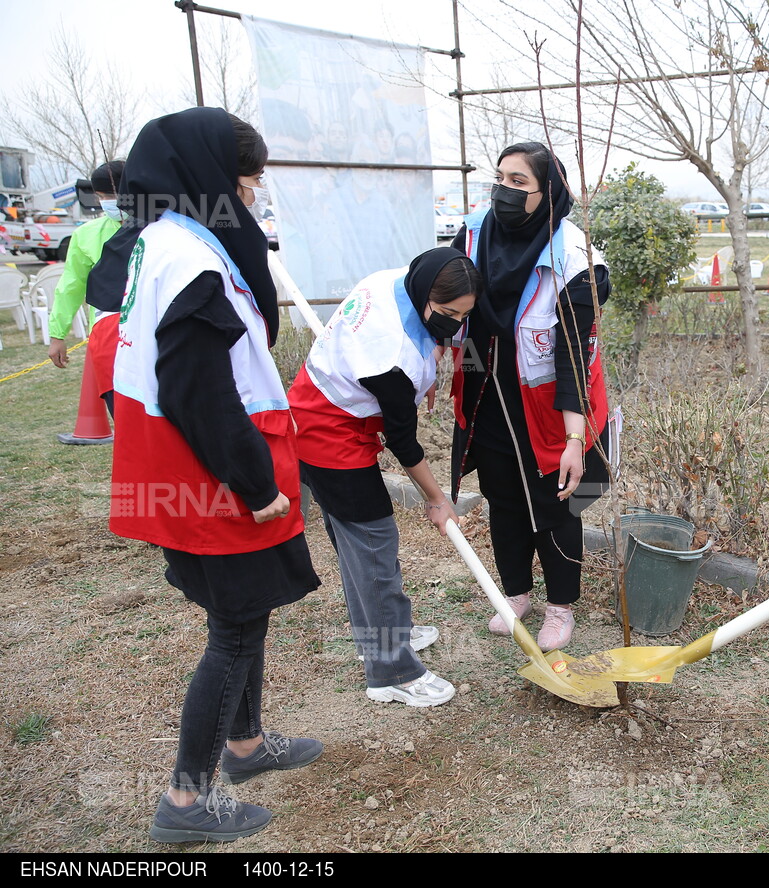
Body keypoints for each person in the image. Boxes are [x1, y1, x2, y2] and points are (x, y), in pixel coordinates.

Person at [87, 107, 322, 843]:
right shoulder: (190, 259)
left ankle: (246, 746)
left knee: (245, 618)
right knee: (233, 631)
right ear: (216, 179)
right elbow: (198, 389)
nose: (253, 195)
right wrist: (254, 485)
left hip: (190, 467)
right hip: (213, 475)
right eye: (248, 179)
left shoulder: (161, 241)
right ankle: (185, 802)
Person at [288, 247, 479, 707]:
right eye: (447, 313)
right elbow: (404, 441)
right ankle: (389, 668)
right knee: (373, 546)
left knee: (360, 550)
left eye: (463, 316)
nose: (453, 326)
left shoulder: (393, 280)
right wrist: (436, 499)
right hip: (329, 434)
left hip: (314, 404)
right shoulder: (390, 355)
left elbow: (419, 334)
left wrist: (428, 364)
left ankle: (382, 631)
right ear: (426, 292)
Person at [449, 141, 611, 652]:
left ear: (549, 192)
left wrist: (573, 440)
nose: (504, 190)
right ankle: (516, 594)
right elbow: (443, 299)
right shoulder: (472, 235)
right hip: (488, 396)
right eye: (500, 178)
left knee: (558, 505)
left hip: (553, 405)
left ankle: (561, 608)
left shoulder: (576, 261)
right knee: (503, 500)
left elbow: (572, 361)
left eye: (519, 182)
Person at [47, 161, 126, 414]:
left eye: (113, 195)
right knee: (122, 416)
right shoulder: (86, 235)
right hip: (109, 340)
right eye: (103, 197)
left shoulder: (160, 226)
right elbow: (71, 285)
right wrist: (57, 334)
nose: (108, 202)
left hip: (158, 335)